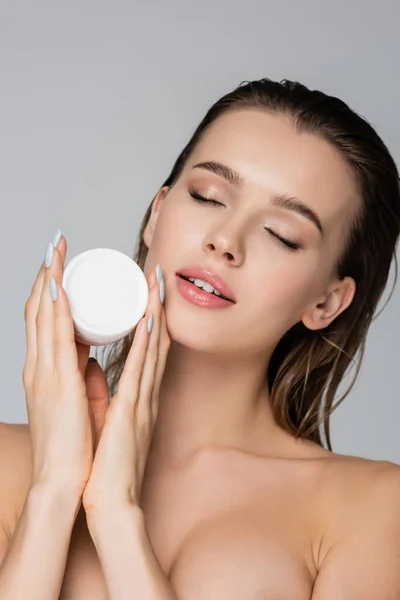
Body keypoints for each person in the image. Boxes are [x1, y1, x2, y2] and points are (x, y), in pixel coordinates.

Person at [0, 78, 399, 599]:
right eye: (208, 197)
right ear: (158, 212)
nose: (225, 241)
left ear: (326, 302)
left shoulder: (372, 508)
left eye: (281, 234)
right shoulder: (9, 463)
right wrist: (53, 491)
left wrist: (117, 515)